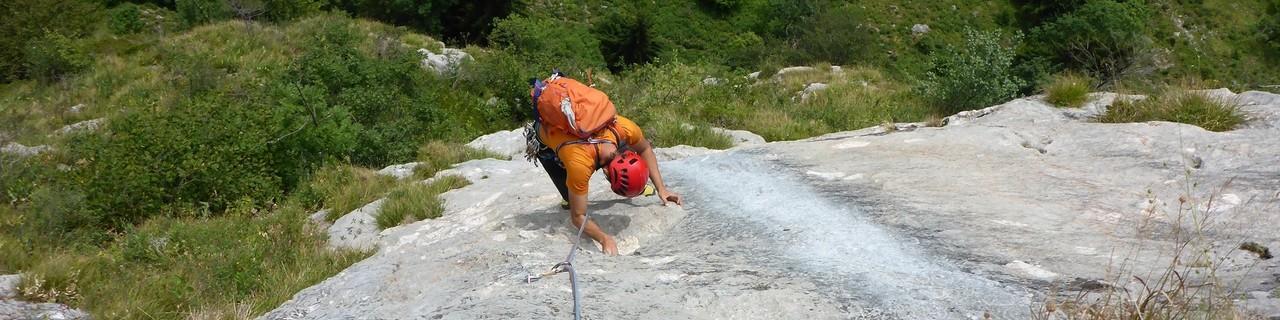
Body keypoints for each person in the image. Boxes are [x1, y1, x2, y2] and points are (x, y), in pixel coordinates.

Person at [526, 98, 683, 255]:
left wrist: (661, 189)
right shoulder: (580, 164)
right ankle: (567, 194)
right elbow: (578, 216)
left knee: (605, 154)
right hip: (544, 140)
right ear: (607, 172)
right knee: (570, 201)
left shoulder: (623, 128)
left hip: (584, 131)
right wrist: (604, 239)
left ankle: (637, 187)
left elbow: (645, 149)